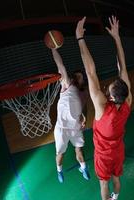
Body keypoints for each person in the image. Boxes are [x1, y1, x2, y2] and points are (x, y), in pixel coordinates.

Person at [76, 16, 132, 200]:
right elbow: (122, 66)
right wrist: (116, 37)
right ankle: (116, 197)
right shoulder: (127, 101)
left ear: (111, 97)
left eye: (108, 88)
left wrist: (80, 39)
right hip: (118, 151)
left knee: (103, 184)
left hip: (104, 156)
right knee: (116, 179)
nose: (107, 86)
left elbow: (90, 72)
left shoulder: (101, 107)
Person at [52, 48, 90, 183]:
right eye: (79, 76)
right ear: (74, 78)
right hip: (62, 128)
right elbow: (60, 66)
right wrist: (53, 50)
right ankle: (59, 171)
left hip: (76, 127)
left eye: (82, 76)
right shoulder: (67, 85)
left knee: (79, 150)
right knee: (60, 154)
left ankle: (84, 168)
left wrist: (85, 117)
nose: (81, 78)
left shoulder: (84, 92)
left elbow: (84, 107)